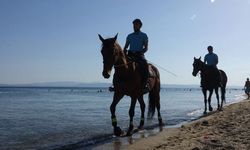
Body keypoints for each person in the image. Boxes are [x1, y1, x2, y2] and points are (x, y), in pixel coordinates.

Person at [123, 18, 149, 91]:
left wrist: (141, 52)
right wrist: (124, 51)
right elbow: (125, 47)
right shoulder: (129, 36)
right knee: (120, 64)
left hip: (139, 55)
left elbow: (146, 48)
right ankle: (115, 84)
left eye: (136, 25)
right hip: (130, 54)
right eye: (133, 25)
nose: (134, 27)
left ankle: (145, 84)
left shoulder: (144, 35)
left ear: (140, 26)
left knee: (145, 65)